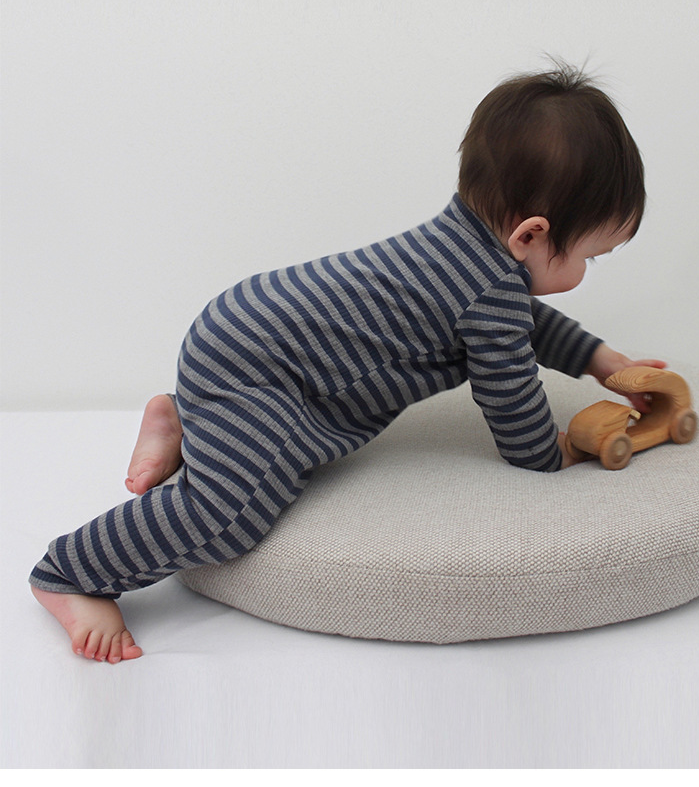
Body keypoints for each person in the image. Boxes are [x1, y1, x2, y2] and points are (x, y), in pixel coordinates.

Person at [29, 63, 666, 664]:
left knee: (251, 448)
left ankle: (182, 415)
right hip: (263, 367)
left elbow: (524, 326)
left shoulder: (466, 246)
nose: (586, 272)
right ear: (529, 235)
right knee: (234, 513)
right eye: (589, 257)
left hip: (239, 327)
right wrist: (549, 452)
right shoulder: (490, 290)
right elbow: (512, 396)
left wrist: (604, 362)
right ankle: (71, 574)